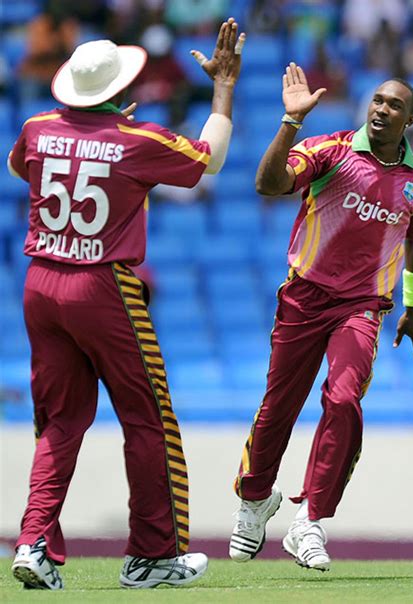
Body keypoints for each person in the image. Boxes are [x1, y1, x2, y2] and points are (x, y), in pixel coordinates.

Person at [8, 18, 245, 590]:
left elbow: (23, 168)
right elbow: (208, 160)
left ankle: (32, 542)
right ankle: (153, 555)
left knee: (60, 422)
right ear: (122, 90)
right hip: (102, 285)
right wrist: (223, 87)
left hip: (40, 282)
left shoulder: (37, 127)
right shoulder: (137, 140)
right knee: (148, 418)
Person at [229, 63, 413, 571]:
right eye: (378, 101)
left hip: (362, 307)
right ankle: (255, 500)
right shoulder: (331, 149)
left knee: (343, 400)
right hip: (304, 296)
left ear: (410, 119)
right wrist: (290, 121)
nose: (382, 110)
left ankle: (310, 522)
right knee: (279, 406)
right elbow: (268, 184)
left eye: (394, 106)